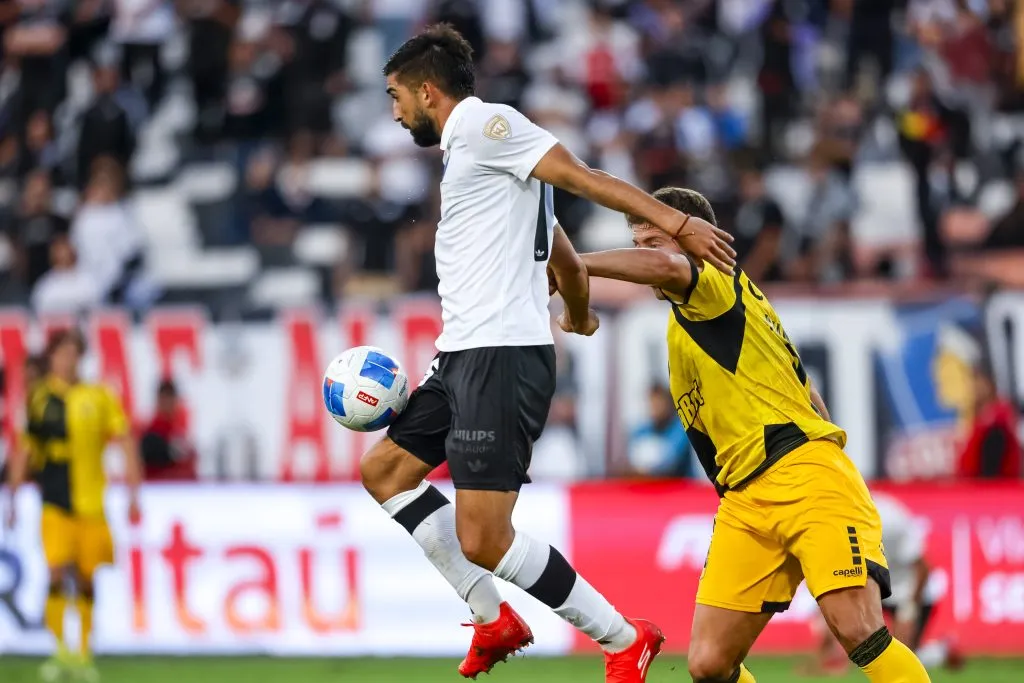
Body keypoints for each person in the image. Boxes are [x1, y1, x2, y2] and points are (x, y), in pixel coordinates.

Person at [360, 24, 735, 683]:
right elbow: (557, 247)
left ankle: (625, 637)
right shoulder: (484, 165)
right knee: (386, 472)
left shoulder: (485, 127)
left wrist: (676, 223)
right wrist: (581, 314)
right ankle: (491, 618)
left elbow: (580, 176)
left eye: (396, 97)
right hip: (464, 357)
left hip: (499, 359)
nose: (394, 113)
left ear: (427, 91)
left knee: (484, 537)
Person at [563, 186, 931, 682]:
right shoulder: (689, 320)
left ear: (697, 238)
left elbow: (671, 269)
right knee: (709, 664)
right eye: (637, 241)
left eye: (654, 239)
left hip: (801, 473)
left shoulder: (713, 281)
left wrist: (569, 262)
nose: (644, 253)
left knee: (858, 629)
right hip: (745, 500)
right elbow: (809, 394)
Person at [4, 330, 142, 683]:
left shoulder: (99, 396)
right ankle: (59, 650)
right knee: (54, 570)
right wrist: (13, 496)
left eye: (73, 354)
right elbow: (24, 449)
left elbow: (124, 440)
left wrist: (132, 492)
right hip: (53, 501)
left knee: (85, 577)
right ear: (51, 358)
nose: (67, 361)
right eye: (61, 354)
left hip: (92, 502)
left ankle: (82, 651)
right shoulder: (38, 398)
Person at [801, 493, 963, 676]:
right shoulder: (838, 519)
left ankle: (941, 651)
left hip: (908, 589)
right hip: (876, 584)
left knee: (903, 653)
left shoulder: (892, 518)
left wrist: (908, 609)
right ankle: (830, 662)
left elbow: (923, 568)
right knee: (843, 620)